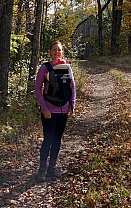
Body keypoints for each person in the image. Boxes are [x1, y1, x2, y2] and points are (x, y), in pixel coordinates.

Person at [35, 40, 76, 182]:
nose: (56, 52)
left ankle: (52, 168)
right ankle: (42, 170)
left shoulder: (67, 67)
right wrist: (44, 108)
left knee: (57, 139)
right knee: (48, 140)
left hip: (64, 109)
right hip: (49, 110)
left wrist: (72, 105)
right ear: (49, 52)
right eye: (54, 50)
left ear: (62, 52)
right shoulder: (44, 68)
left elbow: (72, 88)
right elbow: (37, 90)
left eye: (59, 50)